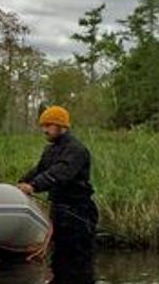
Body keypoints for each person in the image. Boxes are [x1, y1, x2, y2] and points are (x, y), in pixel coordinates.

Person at [17, 105, 98, 262]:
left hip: (78, 213)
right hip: (59, 212)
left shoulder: (76, 150)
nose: (44, 130)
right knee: (58, 259)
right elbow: (40, 170)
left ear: (61, 126)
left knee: (77, 261)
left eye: (48, 125)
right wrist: (21, 183)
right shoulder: (51, 150)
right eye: (43, 126)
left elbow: (60, 173)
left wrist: (33, 186)